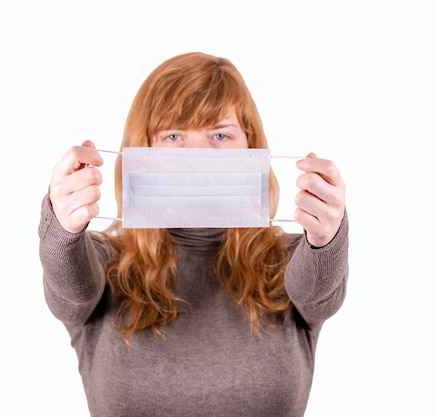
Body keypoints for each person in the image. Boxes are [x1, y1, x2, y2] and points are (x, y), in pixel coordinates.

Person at [39, 52, 348, 416]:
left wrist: (325, 238)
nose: (199, 154)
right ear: (142, 149)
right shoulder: (104, 263)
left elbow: (320, 292)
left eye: (220, 134)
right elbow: (68, 288)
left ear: (250, 147)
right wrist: (63, 227)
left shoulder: (292, 260)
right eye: (173, 135)